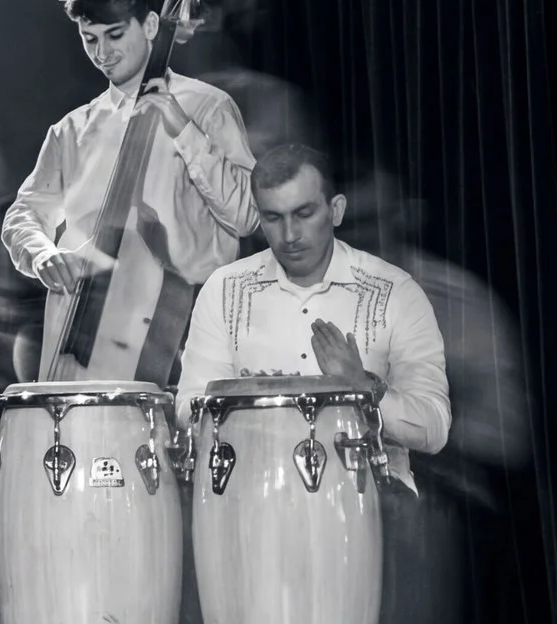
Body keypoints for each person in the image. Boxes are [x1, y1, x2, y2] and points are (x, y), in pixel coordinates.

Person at [1, 0, 256, 381]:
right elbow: (24, 214)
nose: (102, 53)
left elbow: (246, 215)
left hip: (185, 328)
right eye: (89, 39)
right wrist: (42, 253)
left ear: (152, 26)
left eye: (114, 35)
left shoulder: (208, 108)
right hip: (82, 326)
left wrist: (183, 131)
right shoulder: (72, 129)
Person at [176, 144, 452, 476]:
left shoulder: (396, 292)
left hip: (371, 502)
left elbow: (434, 430)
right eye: (273, 218)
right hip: (251, 493)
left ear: (335, 210)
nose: (290, 235)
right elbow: (188, 408)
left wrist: (363, 386)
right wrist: (244, 401)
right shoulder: (224, 290)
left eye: (304, 214)